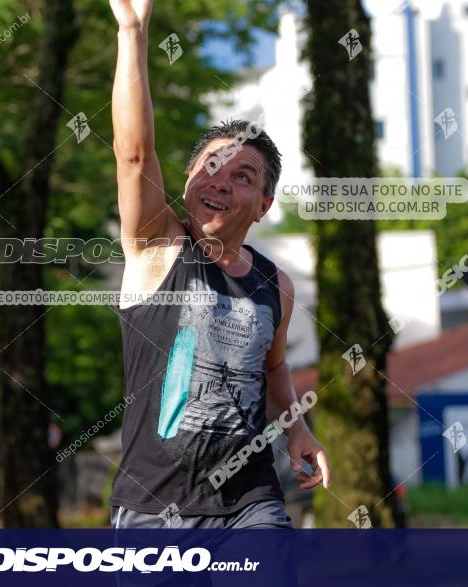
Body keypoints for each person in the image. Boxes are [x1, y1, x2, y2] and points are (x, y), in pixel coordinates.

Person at [108, 0, 330, 529]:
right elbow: (134, 154)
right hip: (152, 510)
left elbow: (274, 368)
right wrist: (133, 33)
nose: (221, 181)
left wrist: (297, 428)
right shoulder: (155, 248)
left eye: (243, 176)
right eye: (211, 165)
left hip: (251, 505)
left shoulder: (275, 284)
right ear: (186, 181)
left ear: (263, 206)